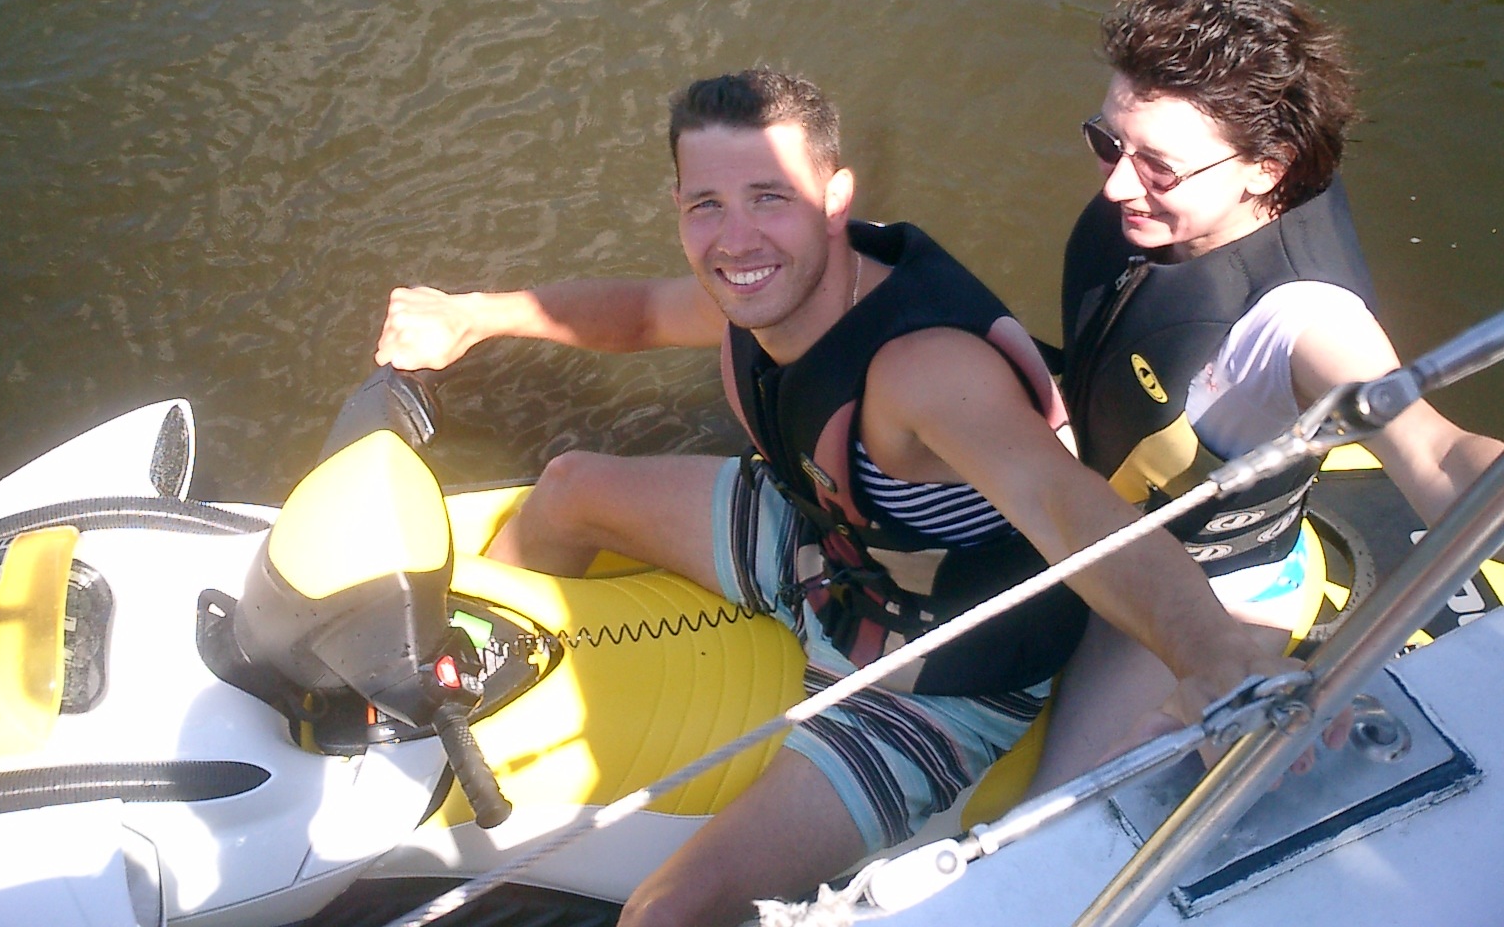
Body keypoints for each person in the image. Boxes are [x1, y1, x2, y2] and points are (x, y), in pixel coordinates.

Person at [374, 67, 1289, 927]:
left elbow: (1065, 507)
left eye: (770, 197)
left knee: (665, 913)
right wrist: (474, 315)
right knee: (570, 487)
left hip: (935, 667)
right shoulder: (756, 283)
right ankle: (469, 687)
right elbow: (643, 313)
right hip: (827, 548)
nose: (736, 238)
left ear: (836, 199)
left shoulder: (925, 369)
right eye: (706, 204)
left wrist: (1208, 651)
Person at [1030, 0, 1504, 789]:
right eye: (1108, 143)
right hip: (1098, 475)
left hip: (1201, 579)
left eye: (1156, 168)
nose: (1115, 185)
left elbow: (1432, 450)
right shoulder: (1201, 131)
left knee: (1061, 808)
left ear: (1265, 167)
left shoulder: (1304, 318)